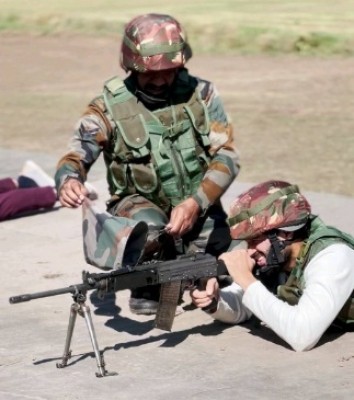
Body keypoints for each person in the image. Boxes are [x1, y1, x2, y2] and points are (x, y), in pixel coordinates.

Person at [55, 13, 240, 315]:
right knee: (151, 230)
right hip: (139, 207)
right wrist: (68, 179)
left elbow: (227, 157)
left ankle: (191, 269)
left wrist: (195, 203)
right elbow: (77, 154)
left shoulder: (202, 94)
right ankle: (151, 282)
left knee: (242, 255)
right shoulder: (107, 107)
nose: (160, 80)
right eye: (149, 73)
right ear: (130, 65)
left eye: (169, 71)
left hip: (197, 204)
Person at [191, 180, 354, 351]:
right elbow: (245, 304)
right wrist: (215, 301)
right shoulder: (278, 259)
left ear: (285, 232)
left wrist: (245, 277)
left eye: (255, 240)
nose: (250, 251)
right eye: (247, 242)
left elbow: (303, 336)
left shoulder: (332, 256)